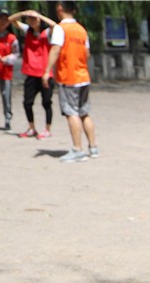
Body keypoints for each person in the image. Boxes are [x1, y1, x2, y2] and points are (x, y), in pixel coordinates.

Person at [44, 0, 96, 163]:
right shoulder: (81, 29)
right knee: (84, 112)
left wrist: (47, 71)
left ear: (59, 9)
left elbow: (55, 49)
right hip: (83, 76)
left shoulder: (61, 28)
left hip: (68, 77)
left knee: (71, 112)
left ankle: (77, 149)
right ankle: (93, 147)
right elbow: (86, 53)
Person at [10, 8, 56, 139]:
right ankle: (31, 128)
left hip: (45, 74)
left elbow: (55, 26)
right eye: (29, 19)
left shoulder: (47, 32)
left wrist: (39, 15)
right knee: (27, 103)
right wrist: (23, 13)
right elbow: (11, 20)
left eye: (34, 19)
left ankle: (47, 129)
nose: (31, 21)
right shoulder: (27, 30)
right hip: (31, 73)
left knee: (46, 103)